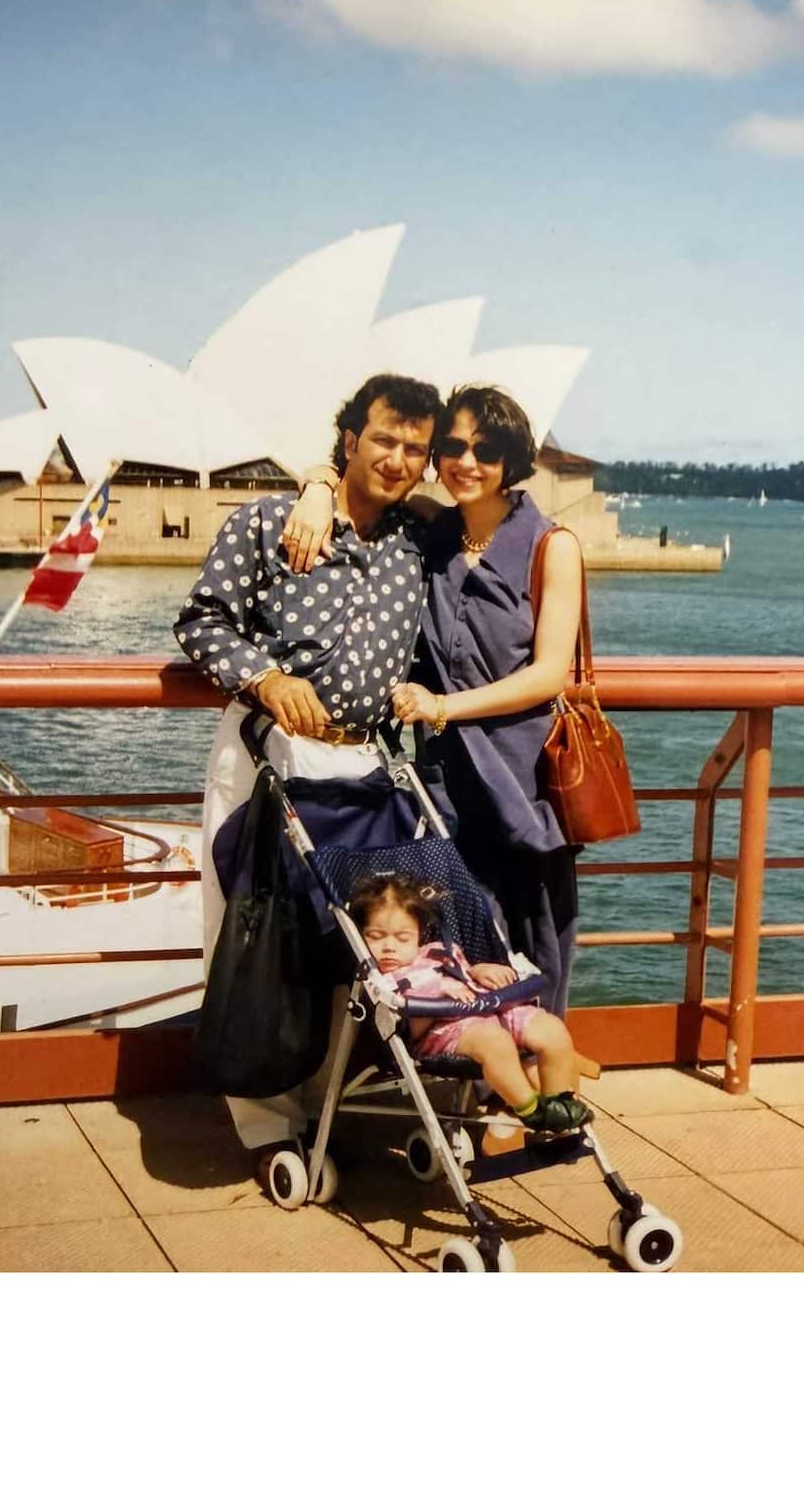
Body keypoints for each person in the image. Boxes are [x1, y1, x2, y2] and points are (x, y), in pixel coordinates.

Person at [173, 372, 442, 1178]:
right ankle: (267, 1124)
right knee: (258, 935)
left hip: (366, 764)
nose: (397, 459)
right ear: (350, 438)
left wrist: (321, 485)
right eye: (384, 439)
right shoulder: (266, 523)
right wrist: (264, 677)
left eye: (415, 449)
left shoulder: (413, 542)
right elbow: (201, 620)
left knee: (354, 940)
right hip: (269, 759)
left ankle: (329, 1102)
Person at [284, 383, 584, 1018]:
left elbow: (551, 674)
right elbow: (349, 480)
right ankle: (475, 1075)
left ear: (513, 461)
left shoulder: (550, 546)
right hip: (445, 786)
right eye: (452, 447)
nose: (466, 463)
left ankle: (528, 1088)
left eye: (486, 450)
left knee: (535, 937)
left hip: (522, 779)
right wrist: (315, 487)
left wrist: (443, 707)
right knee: (460, 935)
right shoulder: (429, 534)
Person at [352, 870, 592, 1133]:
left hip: (491, 1008)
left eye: (402, 938)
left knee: (551, 1028)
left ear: (420, 934)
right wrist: (437, 996)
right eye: (376, 936)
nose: (389, 947)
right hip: (445, 1032)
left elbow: (464, 970)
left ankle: (558, 1105)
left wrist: (479, 971)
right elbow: (409, 1031)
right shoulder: (383, 979)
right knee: (495, 1041)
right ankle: (532, 1111)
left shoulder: (438, 952)